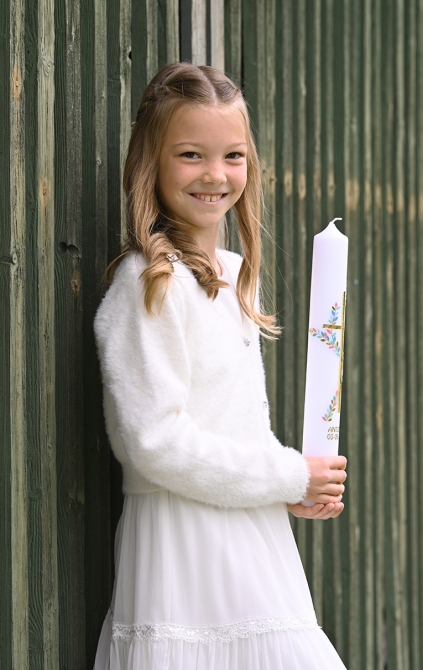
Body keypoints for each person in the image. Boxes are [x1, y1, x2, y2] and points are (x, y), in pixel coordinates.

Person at [93, 62, 348, 670]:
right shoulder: (148, 282)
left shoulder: (232, 274)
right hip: (184, 541)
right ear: (151, 163)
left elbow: (234, 423)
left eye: (233, 155)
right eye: (191, 155)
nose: (215, 174)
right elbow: (153, 441)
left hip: (251, 531)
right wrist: (287, 475)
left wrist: (292, 484)